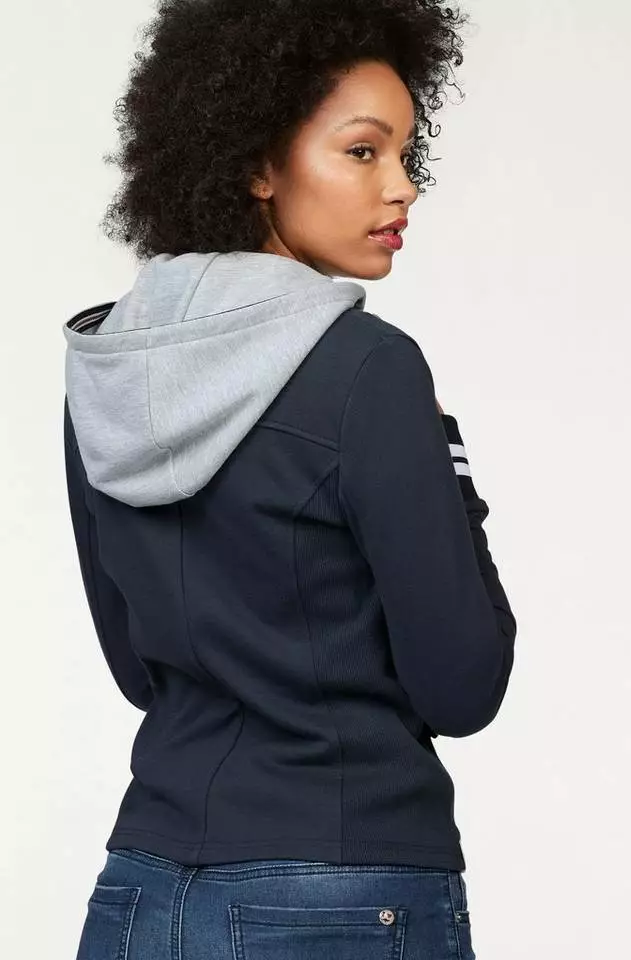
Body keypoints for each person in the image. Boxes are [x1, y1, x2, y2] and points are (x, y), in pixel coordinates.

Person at [63, 1, 517, 957]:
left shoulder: (108, 364)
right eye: (361, 151)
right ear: (257, 165)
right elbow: (462, 685)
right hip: (340, 886)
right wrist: (448, 460)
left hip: (139, 891)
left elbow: (139, 671)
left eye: (405, 153)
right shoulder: (367, 370)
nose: (401, 185)